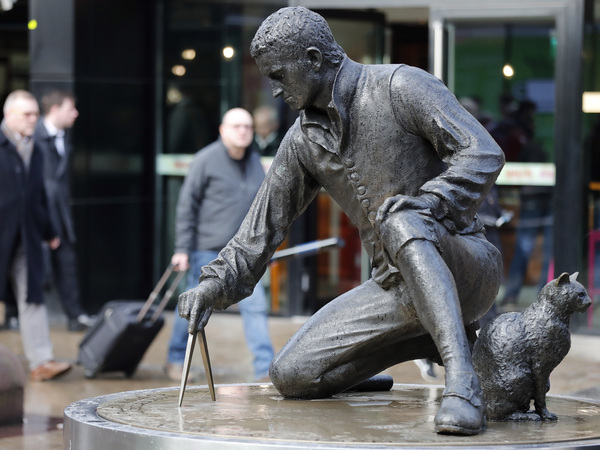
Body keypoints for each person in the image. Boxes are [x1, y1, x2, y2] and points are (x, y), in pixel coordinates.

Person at [178, 7, 504, 436]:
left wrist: (428, 203)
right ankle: (424, 338)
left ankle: (463, 383)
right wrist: (212, 285)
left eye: (279, 76)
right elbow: (262, 228)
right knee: (290, 376)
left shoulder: (401, 85)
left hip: (466, 267)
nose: (274, 91)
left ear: (314, 59)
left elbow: (482, 152)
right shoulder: (303, 139)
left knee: (403, 219)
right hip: (395, 286)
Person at [165, 107, 275, 382]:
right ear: (222, 131)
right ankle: (176, 359)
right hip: (207, 252)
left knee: (256, 307)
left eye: (248, 127)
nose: (243, 131)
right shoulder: (205, 160)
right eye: (237, 126)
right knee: (194, 307)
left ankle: (266, 369)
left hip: (244, 255)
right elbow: (186, 207)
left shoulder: (253, 162)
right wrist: (182, 249)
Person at [0, 90, 72, 381]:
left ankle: (41, 361)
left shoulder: (36, 149)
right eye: (27, 114)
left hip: (26, 237)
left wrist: (49, 230)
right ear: (9, 115)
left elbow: (38, 196)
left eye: (35, 113)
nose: (34, 119)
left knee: (33, 297)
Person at [33, 90, 93, 331]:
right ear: (55, 110)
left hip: (60, 215)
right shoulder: (34, 137)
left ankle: (74, 315)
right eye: (71, 109)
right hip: (39, 215)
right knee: (32, 268)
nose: (76, 114)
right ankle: (16, 316)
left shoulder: (63, 138)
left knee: (67, 264)